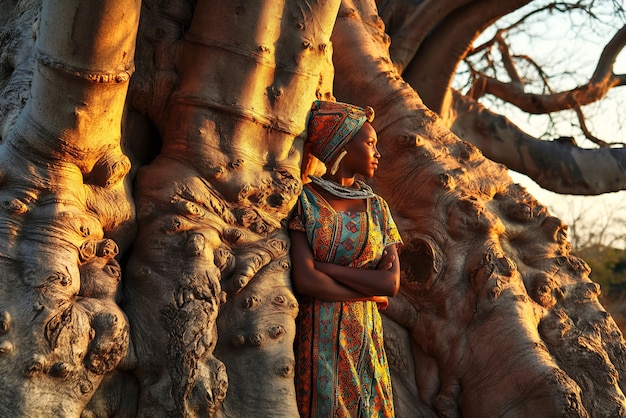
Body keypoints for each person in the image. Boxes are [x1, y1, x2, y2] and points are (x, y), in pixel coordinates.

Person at [288, 100, 402, 417]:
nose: (378, 153)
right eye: (370, 143)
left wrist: (324, 268)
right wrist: (370, 292)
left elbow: (391, 283)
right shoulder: (305, 201)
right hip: (318, 340)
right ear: (342, 145)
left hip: (367, 336)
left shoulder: (377, 207)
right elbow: (305, 280)